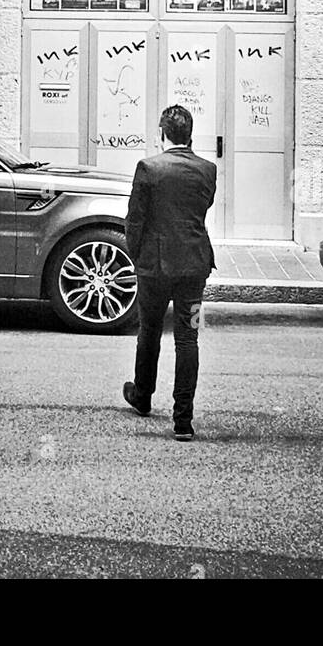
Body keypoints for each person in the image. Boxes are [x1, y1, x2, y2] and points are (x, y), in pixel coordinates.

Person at [122, 105, 217, 441]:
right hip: (195, 267)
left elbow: (134, 220)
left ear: (162, 135)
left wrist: (138, 257)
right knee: (188, 338)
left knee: (149, 328)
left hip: (155, 267)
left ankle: (143, 396)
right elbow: (202, 210)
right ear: (190, 135)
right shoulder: (208, 170)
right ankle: (183, 421)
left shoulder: (149, 167)